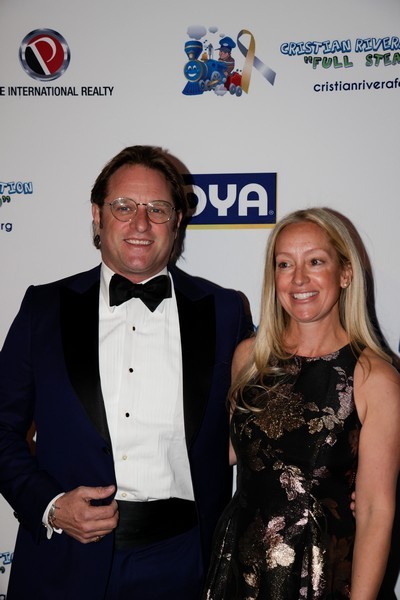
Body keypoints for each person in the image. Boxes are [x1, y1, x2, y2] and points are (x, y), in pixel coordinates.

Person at [0, 145, 252, 600]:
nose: (140, 223)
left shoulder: (225, 311)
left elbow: (266, 426)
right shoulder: (43, 309)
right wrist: (50, 505)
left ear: (177, 221)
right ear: (97, 215)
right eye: (123, 207)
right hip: (66, 558)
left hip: (186, 562)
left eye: (158, 209)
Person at [203, 207, 400, 599]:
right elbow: (223, 453)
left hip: (323, 573)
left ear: (345, 273)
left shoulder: (374, 377)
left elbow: (376, 511)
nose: (298, 279)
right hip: (242, 568)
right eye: (285, 264)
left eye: (315, 261)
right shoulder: (249, 359)